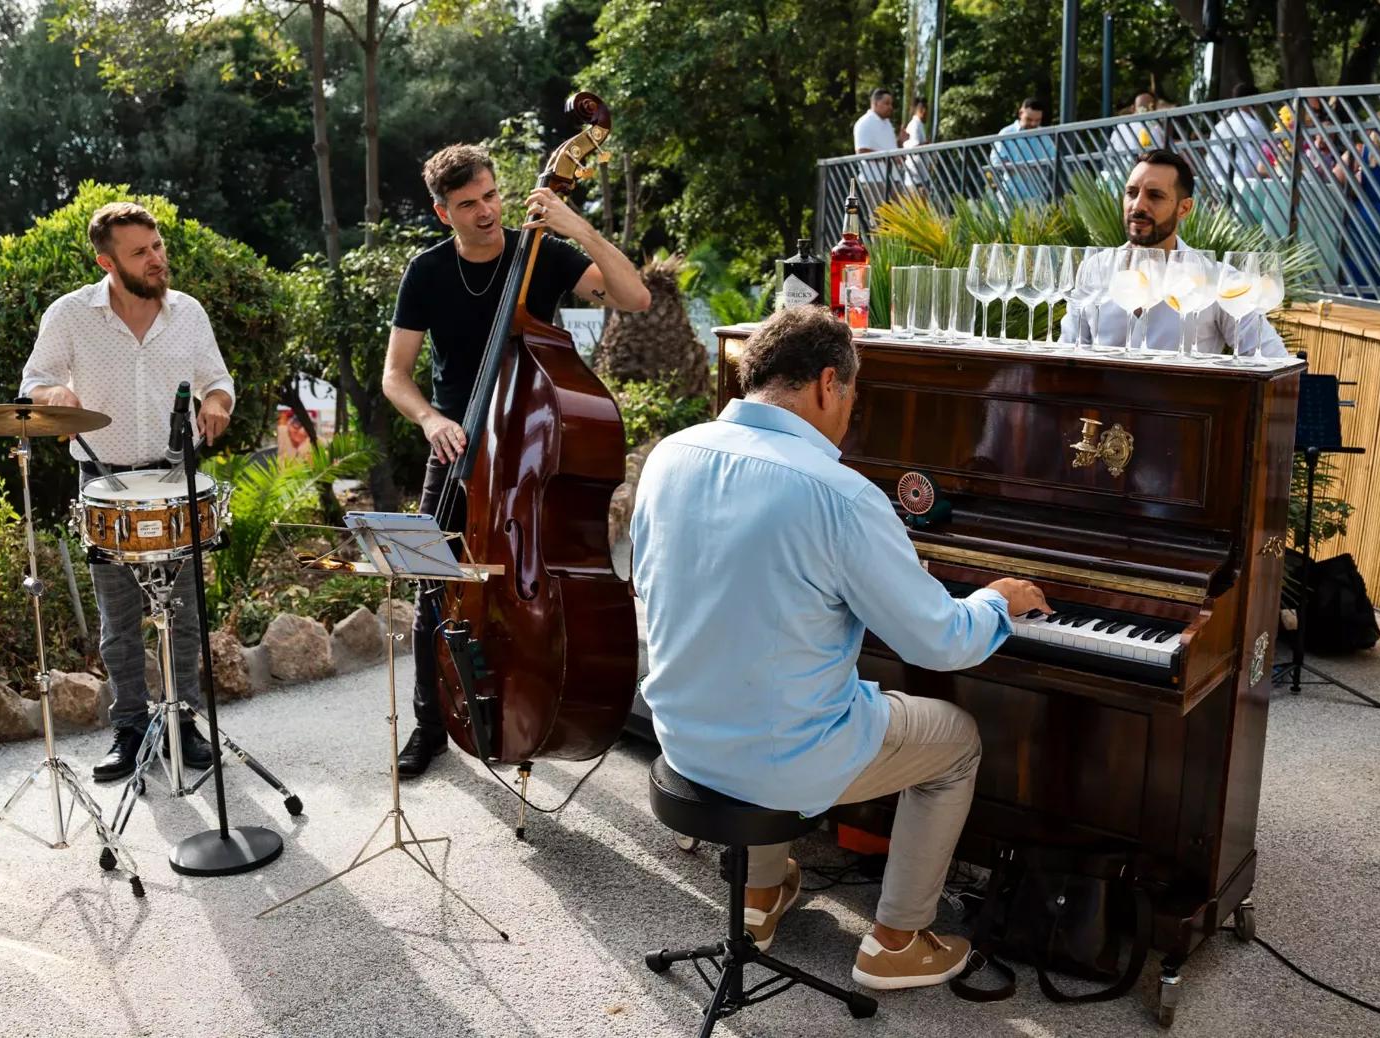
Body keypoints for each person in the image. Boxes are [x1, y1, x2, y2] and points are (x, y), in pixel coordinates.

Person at [631, 306, 1050, 991]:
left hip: (681, 735)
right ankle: (896, 939)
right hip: (776, 760)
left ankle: (762, 896)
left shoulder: (669, 456)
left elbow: (664, 587)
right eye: (853, 397)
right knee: (957, 740)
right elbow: (941, 642)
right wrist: (999, 599)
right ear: (830, 383)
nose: (851, 415)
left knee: (766, 674)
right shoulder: (841, 493)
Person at [380, 144, 650, 778]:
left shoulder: (544, 256)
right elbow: (396, 376)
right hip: (458, 447)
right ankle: (431, 724)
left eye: (492, 197)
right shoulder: (427, 272)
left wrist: (576, 226)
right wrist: (431, 418)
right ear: (443, 212)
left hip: (529, 450)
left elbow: (634, 298)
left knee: (534, 587)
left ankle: (536, 702)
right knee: (432, 589)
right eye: (468, 204)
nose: (486, 213)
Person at [20, 201, 232, 781]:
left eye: (157, 246)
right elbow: (35, 381)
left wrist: (216, 403)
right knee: (119, 620)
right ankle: (130, 726)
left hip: (172, 479)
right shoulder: (69, 315)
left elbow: (217, 380)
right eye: (141, 253)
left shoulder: (188, 313)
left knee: (184, 614)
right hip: (105, 482)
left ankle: (183, 721)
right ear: (107, 261)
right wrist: (51, 397)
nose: (157, 259)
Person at [1055, 150, 1289, 358]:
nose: (1138, 205)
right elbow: (1068, 352)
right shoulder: (1095, 268)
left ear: (1184, 208)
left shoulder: (1218, 279)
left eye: (1154, 195)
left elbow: (1271, 358)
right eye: (1131, 192)